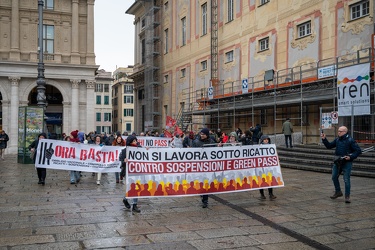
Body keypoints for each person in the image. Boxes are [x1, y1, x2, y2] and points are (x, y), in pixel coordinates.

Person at [321, 126, 361, 203]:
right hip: (338, 162)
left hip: (347, 163)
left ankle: (347, 196)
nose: (338, 132)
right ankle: (338, 191)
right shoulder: (337, 139)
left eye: (340, 131)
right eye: (338, 131)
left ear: (345, 132)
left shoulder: (350, 140)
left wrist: (350, 157)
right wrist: (324, 139)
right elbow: (329, 146)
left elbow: (358, 151)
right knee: (334, 177)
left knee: (346, 180)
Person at [192, 128, 216, 208]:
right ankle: (202, 194)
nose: (201, 135)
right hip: (199, 165)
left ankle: (205, 200)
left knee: (206, 182)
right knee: (200, 182)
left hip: (207, 166)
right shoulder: (196, 142)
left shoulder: (211, 142)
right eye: (201, 134)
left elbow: (215, 152)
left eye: (203, 134)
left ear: (207, 135)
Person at [122, 135, 141, 213]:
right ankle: (125, 199)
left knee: (136, 187)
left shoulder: (139, 148)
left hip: (137, 171)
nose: (135, 142)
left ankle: (134, 205)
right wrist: (124, 160)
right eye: (133, 141)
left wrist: (147, 150)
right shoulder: (125, 150)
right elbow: (121, 160)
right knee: (131, 187)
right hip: (129, 172)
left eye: (136, 141)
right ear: (130, 142)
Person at [258, 135, 277, 200]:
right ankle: (262, 194)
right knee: (261, 181)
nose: (266, 140)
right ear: (262, 140)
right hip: (261, 167)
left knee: (270, 180)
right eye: (265, 139)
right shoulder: (259, 147)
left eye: (267, 139)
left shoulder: (271, 147)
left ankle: (271, 194)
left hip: (268, 167)